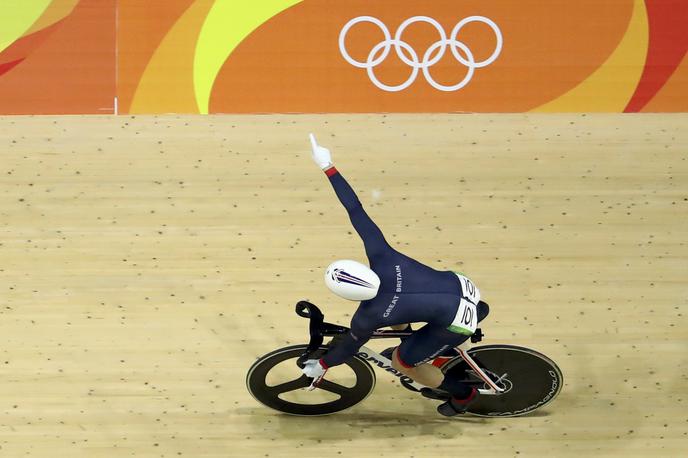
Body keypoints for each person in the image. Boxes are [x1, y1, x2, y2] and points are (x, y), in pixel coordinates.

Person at [300, 134, 489, 417]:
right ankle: (420, 344)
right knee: (403, 310)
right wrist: (328, 165)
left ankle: (464, 395)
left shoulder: (368, 317)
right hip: (462, 286)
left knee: (403, 363)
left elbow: (347, 349)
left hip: (455, 322)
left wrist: (323, 366)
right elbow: (355, 209)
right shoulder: (383, 256)